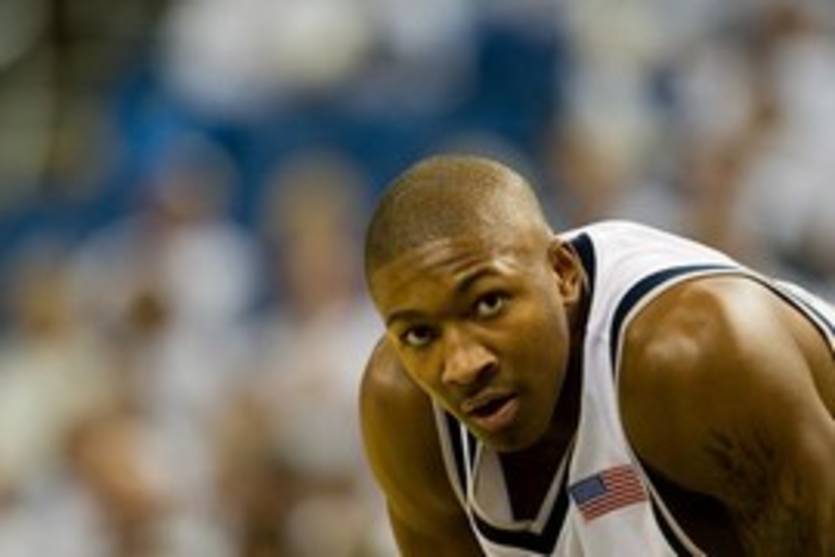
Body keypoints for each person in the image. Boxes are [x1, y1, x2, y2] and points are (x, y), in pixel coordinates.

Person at [359, 155, 835, 556]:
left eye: (489, 303)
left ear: (562, 273)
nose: (463, 365)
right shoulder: (405, 410)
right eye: (420, 334)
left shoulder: (692, 354)